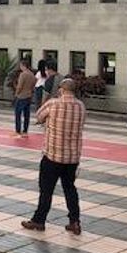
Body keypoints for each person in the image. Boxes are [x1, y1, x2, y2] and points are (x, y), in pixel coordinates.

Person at [21, 78, 86, 235]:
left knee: (46, 190)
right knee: (70, 189)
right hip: (72, 158)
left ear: (61, 90)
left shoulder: (53, 103)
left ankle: (39, 220)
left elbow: (38, 116)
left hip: (52, 155)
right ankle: (74, 221)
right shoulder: (81, 106)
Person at [13, 61, 37, 138]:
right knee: (27, 114)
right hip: (29, 95)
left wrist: (16, 93)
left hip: (21, 96)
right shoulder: (32, 74)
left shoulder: (23, 74)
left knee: (18, 114)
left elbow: (19, 86)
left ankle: (18, 130)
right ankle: (25, 131)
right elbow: (34, 85)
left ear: (23, 66)